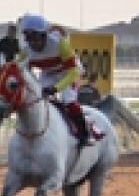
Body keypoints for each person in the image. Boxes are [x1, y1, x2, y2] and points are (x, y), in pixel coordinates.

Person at [18, 13, 99, 147]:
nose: (33, 43)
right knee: (36, 100)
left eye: (36, 39)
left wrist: (56, 88)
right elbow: (17, 67)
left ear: (44, 35)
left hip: (69, 72)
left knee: (69, 101)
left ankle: (85, 134)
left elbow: (73, 72)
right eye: (29, 39)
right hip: (48, 72)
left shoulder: (60, 44)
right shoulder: (26, 49)